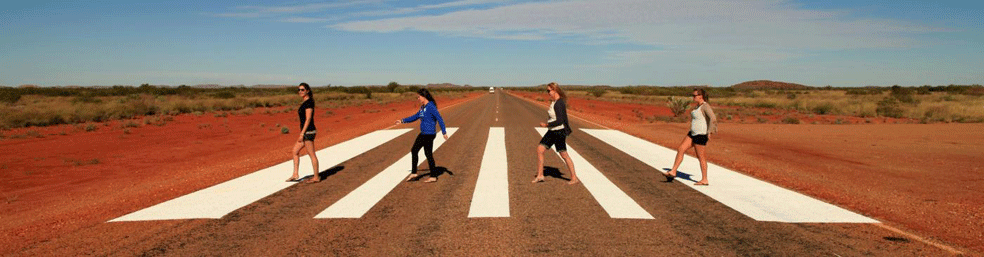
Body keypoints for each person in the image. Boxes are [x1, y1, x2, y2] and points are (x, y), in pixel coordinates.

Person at [664, 88, 717, 186]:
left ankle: (704, 179)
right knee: (681, 149)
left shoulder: (705, 106)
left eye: (695, 95)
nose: (693, 97)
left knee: (701, 157)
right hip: (692, 133)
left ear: (700, 96)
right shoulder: (697, 107)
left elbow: (713, 118)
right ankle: (673, 171)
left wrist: (710, 132)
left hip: (700, 134)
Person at [396, 88, 448, 183]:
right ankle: (432, 176)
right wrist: (402, 121)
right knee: (427, 154)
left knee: (415, 150)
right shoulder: (422, 108)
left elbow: (440, 119)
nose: (418, 99)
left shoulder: (431, 107)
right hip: (424, 133)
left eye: (419, 97)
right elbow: (415, 117)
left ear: (424, 97)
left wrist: (444, 132)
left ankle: (415, 173)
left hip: (429, 134)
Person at [532, 82, 578, 185]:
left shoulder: (559, 103)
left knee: (564, 154)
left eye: (549, 91)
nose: (548, 92)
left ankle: (574, 178)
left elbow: (560, 120)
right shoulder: (555, 102)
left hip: (559, 131)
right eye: (547, 91)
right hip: (552, 131)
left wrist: (546, 125)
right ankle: (540, 175)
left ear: (555, 90)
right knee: (540, 149)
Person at [287, 83, 321, 183]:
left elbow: (308, 118)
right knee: (295, 151)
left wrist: (302, 134)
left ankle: (316, 177)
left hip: (308, 131)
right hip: (306, 131)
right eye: (299, 90)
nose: (300, 91)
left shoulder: (309, 102)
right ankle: (295, 174)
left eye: (302, 89)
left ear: (307, 90)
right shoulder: (305, 102)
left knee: (311, 154)